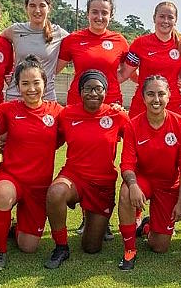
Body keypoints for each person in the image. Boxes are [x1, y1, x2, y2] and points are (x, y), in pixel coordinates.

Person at [44, 70, 130, 269]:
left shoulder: (117, 115)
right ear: (80, 92)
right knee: (56, 192)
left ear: (105, 92)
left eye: (98, 89)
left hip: (102, 184)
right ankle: (61, 246)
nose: (93, 93)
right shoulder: (67, 114)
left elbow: (135, 143)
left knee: (91, 247)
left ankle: (92, 219)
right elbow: (50, 141)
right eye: (87, 89)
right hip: (74, 178)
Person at [0, 55, 64, 270]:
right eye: (25, 83)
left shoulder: (57, 112)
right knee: (2, 194)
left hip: (39, 187)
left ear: (45, 84)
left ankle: (12, 227)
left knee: (28, 246)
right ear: (18, 86)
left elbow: (77, 126)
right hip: (11, 177)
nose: (31, 89)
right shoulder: (7, 109)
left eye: (36, 83)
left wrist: (115, 110)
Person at [116, 75, 181, 270]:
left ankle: (148, 227)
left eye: (161, 94)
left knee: (160, 246)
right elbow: (126, 164)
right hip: (143, 181)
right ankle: (130, 249)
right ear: (143, 98)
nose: (156, 99)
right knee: (126, 192)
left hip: (168, 185)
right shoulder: (133, 125)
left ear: (169, 96)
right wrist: (133, 185)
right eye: (150, 94)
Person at [57, 0, 129, 106]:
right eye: (95, 12)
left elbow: (129, 72)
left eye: (104, 13)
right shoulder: (72, 39)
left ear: (111, 16)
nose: (99, 17)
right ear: (87, 14)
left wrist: (110, 81)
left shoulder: (120, 41)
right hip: (78, 102)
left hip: (110, 102)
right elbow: (53, 70)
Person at [122, 1, 181, 117]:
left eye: (170, 17)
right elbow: (127, 73)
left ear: (175, 21)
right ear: (154, 18)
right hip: (143, 104)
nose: (165, 21)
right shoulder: (140, 43)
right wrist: (146, 83)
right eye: (162, 16)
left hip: (172, 105)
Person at [2, 0, 69, 102]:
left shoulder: (59, 33)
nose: (37, 10)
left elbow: (80, 46)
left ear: (49, 8)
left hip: (46, 97)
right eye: (32, 5)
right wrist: (7, 71)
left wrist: (52, 70)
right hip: (16, 97)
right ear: (26, 8)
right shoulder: (15, 30)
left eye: (42, 6)